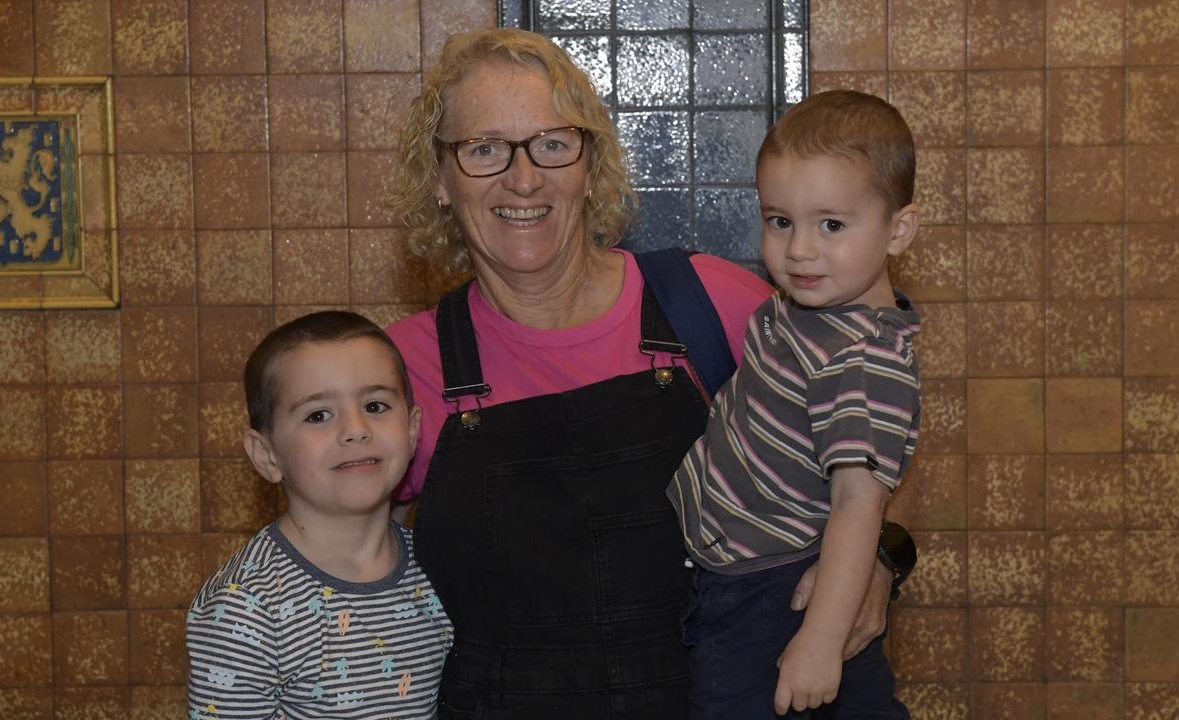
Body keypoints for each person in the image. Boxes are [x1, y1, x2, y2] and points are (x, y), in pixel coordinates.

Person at [386, 28, 902, 718]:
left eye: (552, 142)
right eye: (484, 150)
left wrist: (882, 559)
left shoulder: (708, 306)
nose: (524, 177)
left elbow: (871, 443)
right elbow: (345, 570)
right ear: (441, 181)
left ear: (588, 163)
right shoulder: (398, 371)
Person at [669, 90, 920, 719]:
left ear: (900, 230)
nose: (800, 248)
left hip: (773, 590)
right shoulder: (812, 310)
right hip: (744, 575)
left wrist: (820, 641)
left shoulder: (859, 358)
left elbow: (861, 506)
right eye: (780, 220)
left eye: (831, 224)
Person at [186, 311, 453, 719]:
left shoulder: (440, 567)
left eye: (376, 405)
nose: (355, 428)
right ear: (267, 455)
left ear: (413, 431)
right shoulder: (246, 606)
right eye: (318, 415)